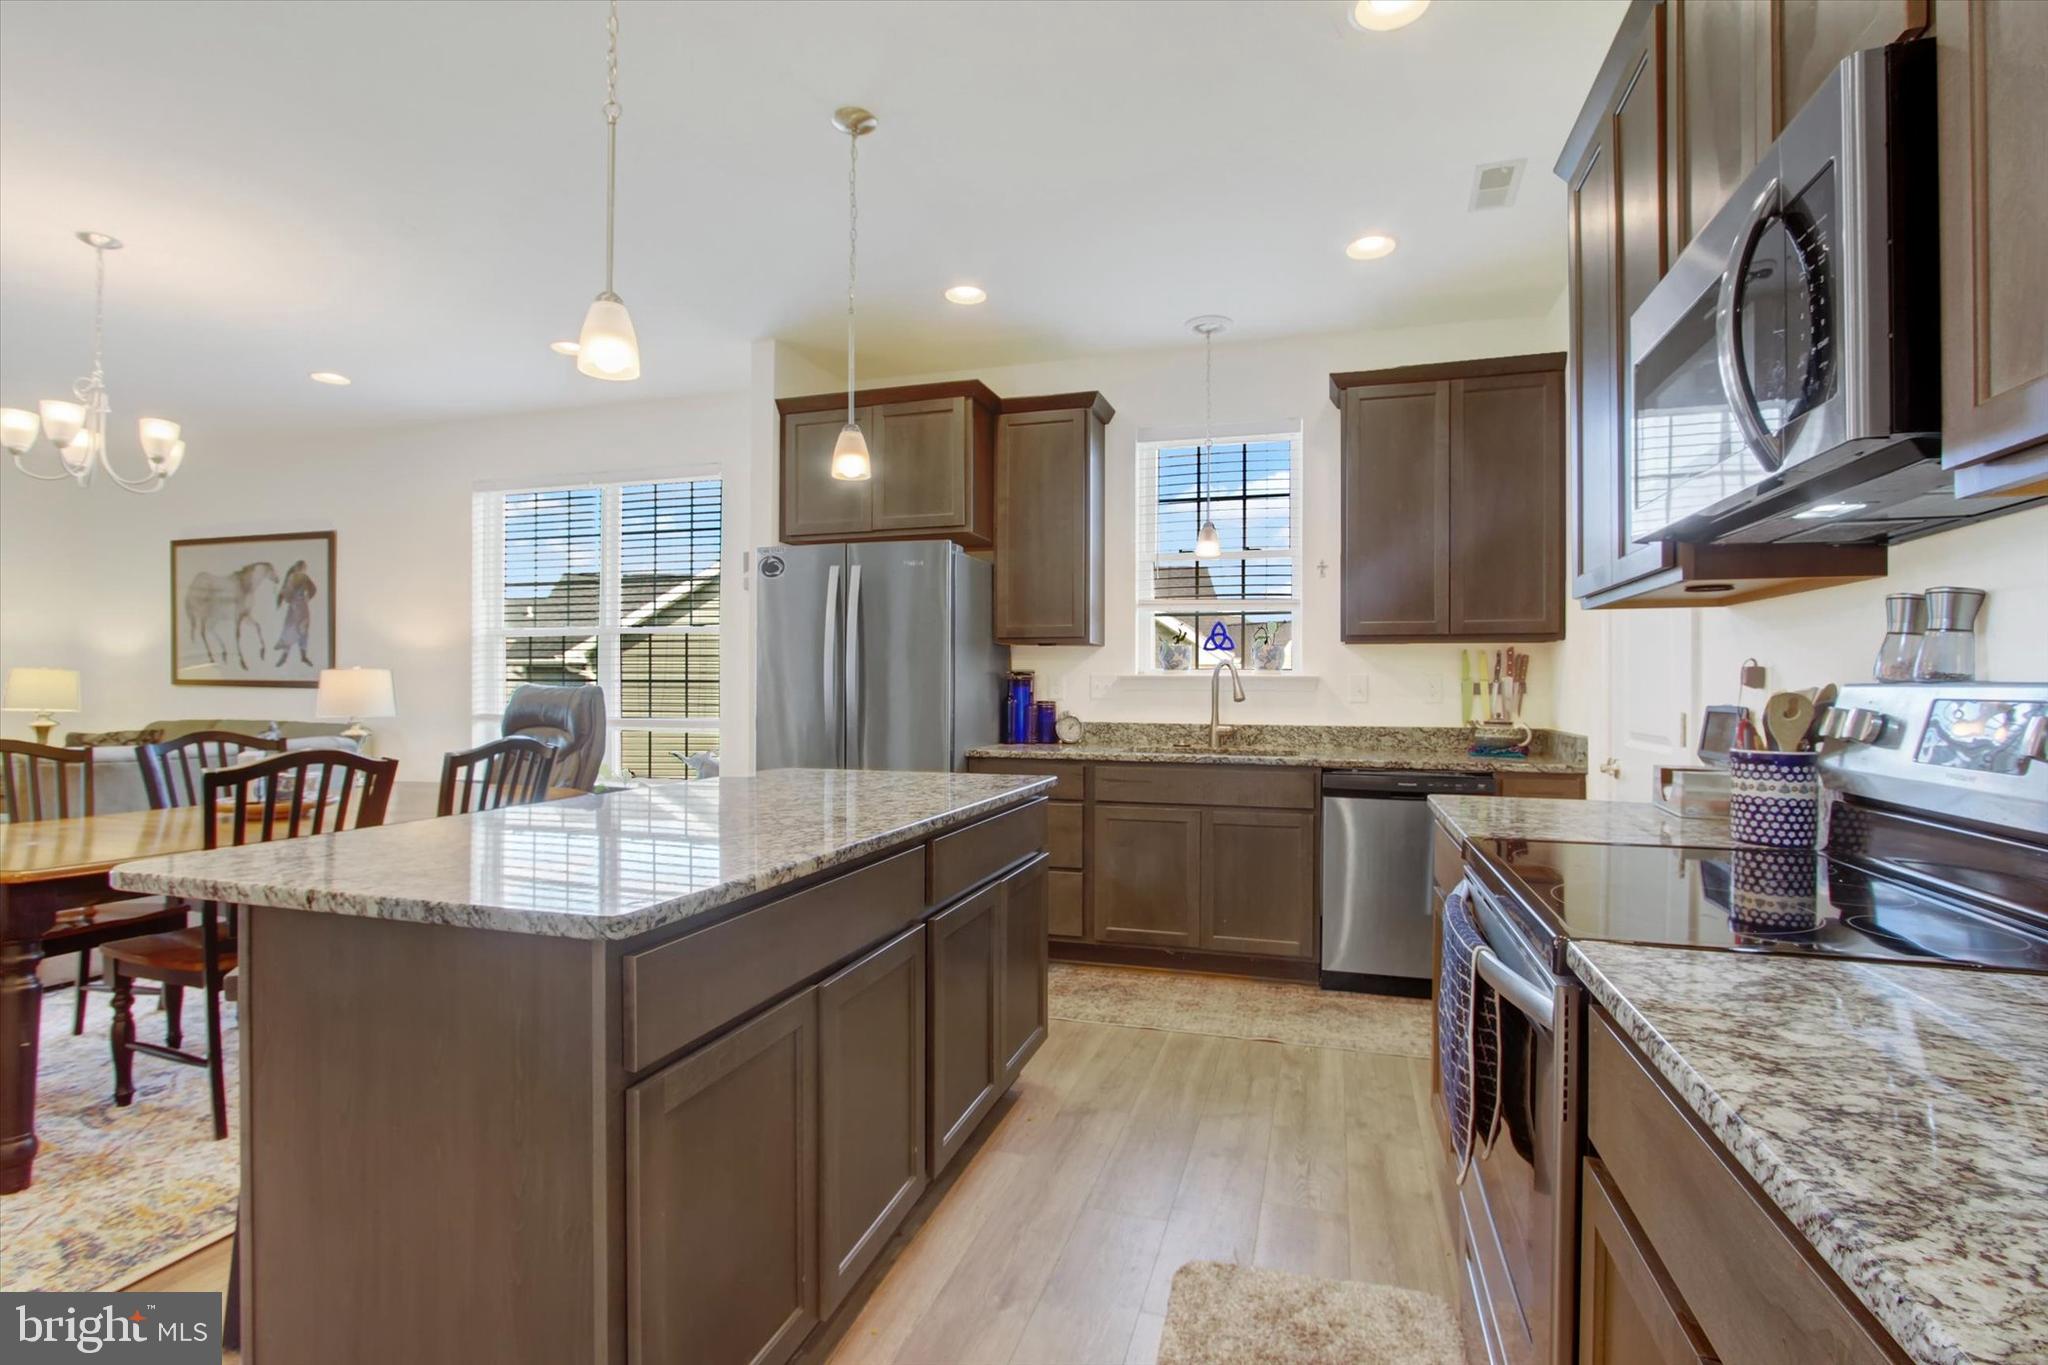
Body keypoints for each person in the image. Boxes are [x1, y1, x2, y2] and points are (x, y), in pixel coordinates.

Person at [274, 559, 319, 669]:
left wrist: (291, 599)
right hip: (299, 607)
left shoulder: (298, 577)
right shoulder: (299, 577)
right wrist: (305, 598)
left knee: (296, 630)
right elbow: (312, 590)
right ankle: (292, 656)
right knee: (295, 630)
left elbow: (287, 593)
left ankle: (294, 656)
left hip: (298, 607)